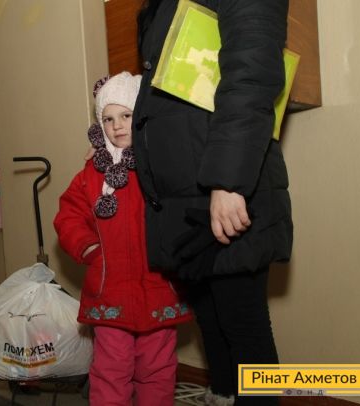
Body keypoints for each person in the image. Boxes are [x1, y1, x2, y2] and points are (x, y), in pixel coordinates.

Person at [132, 1, 293, 405]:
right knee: (210, 316)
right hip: (185, 192)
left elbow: (252, 66)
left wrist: (228, 179)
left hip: (224, 182)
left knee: (242, 322)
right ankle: (222, 395)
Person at [54, 72, 192, 406]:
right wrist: (89, 247)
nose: (117, 126)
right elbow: (68, 215)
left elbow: (184, 206)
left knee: (157, 369)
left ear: (141, 115)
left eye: (126, 115)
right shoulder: (91, 174)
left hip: (158, 288)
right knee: (110, 369)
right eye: (108, 119)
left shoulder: (161, 165)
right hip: (109, 291)